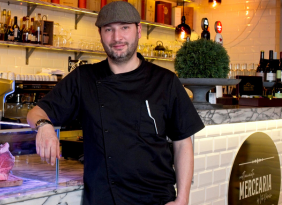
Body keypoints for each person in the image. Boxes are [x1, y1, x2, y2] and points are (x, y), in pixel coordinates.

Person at [27, 1, 205, 205]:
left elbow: (182, 143)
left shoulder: (165, 81)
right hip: (104, 199)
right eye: (108, 29)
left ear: (138, 30)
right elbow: (35, 113)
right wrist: (44, 127)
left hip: (156, 198)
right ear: (100, 34)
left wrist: (182, 199)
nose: (117, 37)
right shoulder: (84, 78)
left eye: (124, 28)